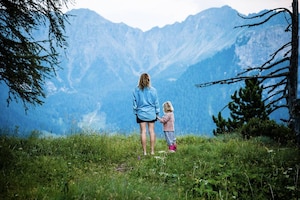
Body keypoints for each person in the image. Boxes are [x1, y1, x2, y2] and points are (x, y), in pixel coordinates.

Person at [133, 73, 160, 156]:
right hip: (151, 114)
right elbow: (156, 103)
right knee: (151, 131)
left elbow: (135, 104)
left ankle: (144, 152)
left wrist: (136, 112)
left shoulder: (136, 90)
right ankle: (152, 151)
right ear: (149, 80)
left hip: (141, 114)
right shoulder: (153, 90)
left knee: (143, 132)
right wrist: (157, 113)